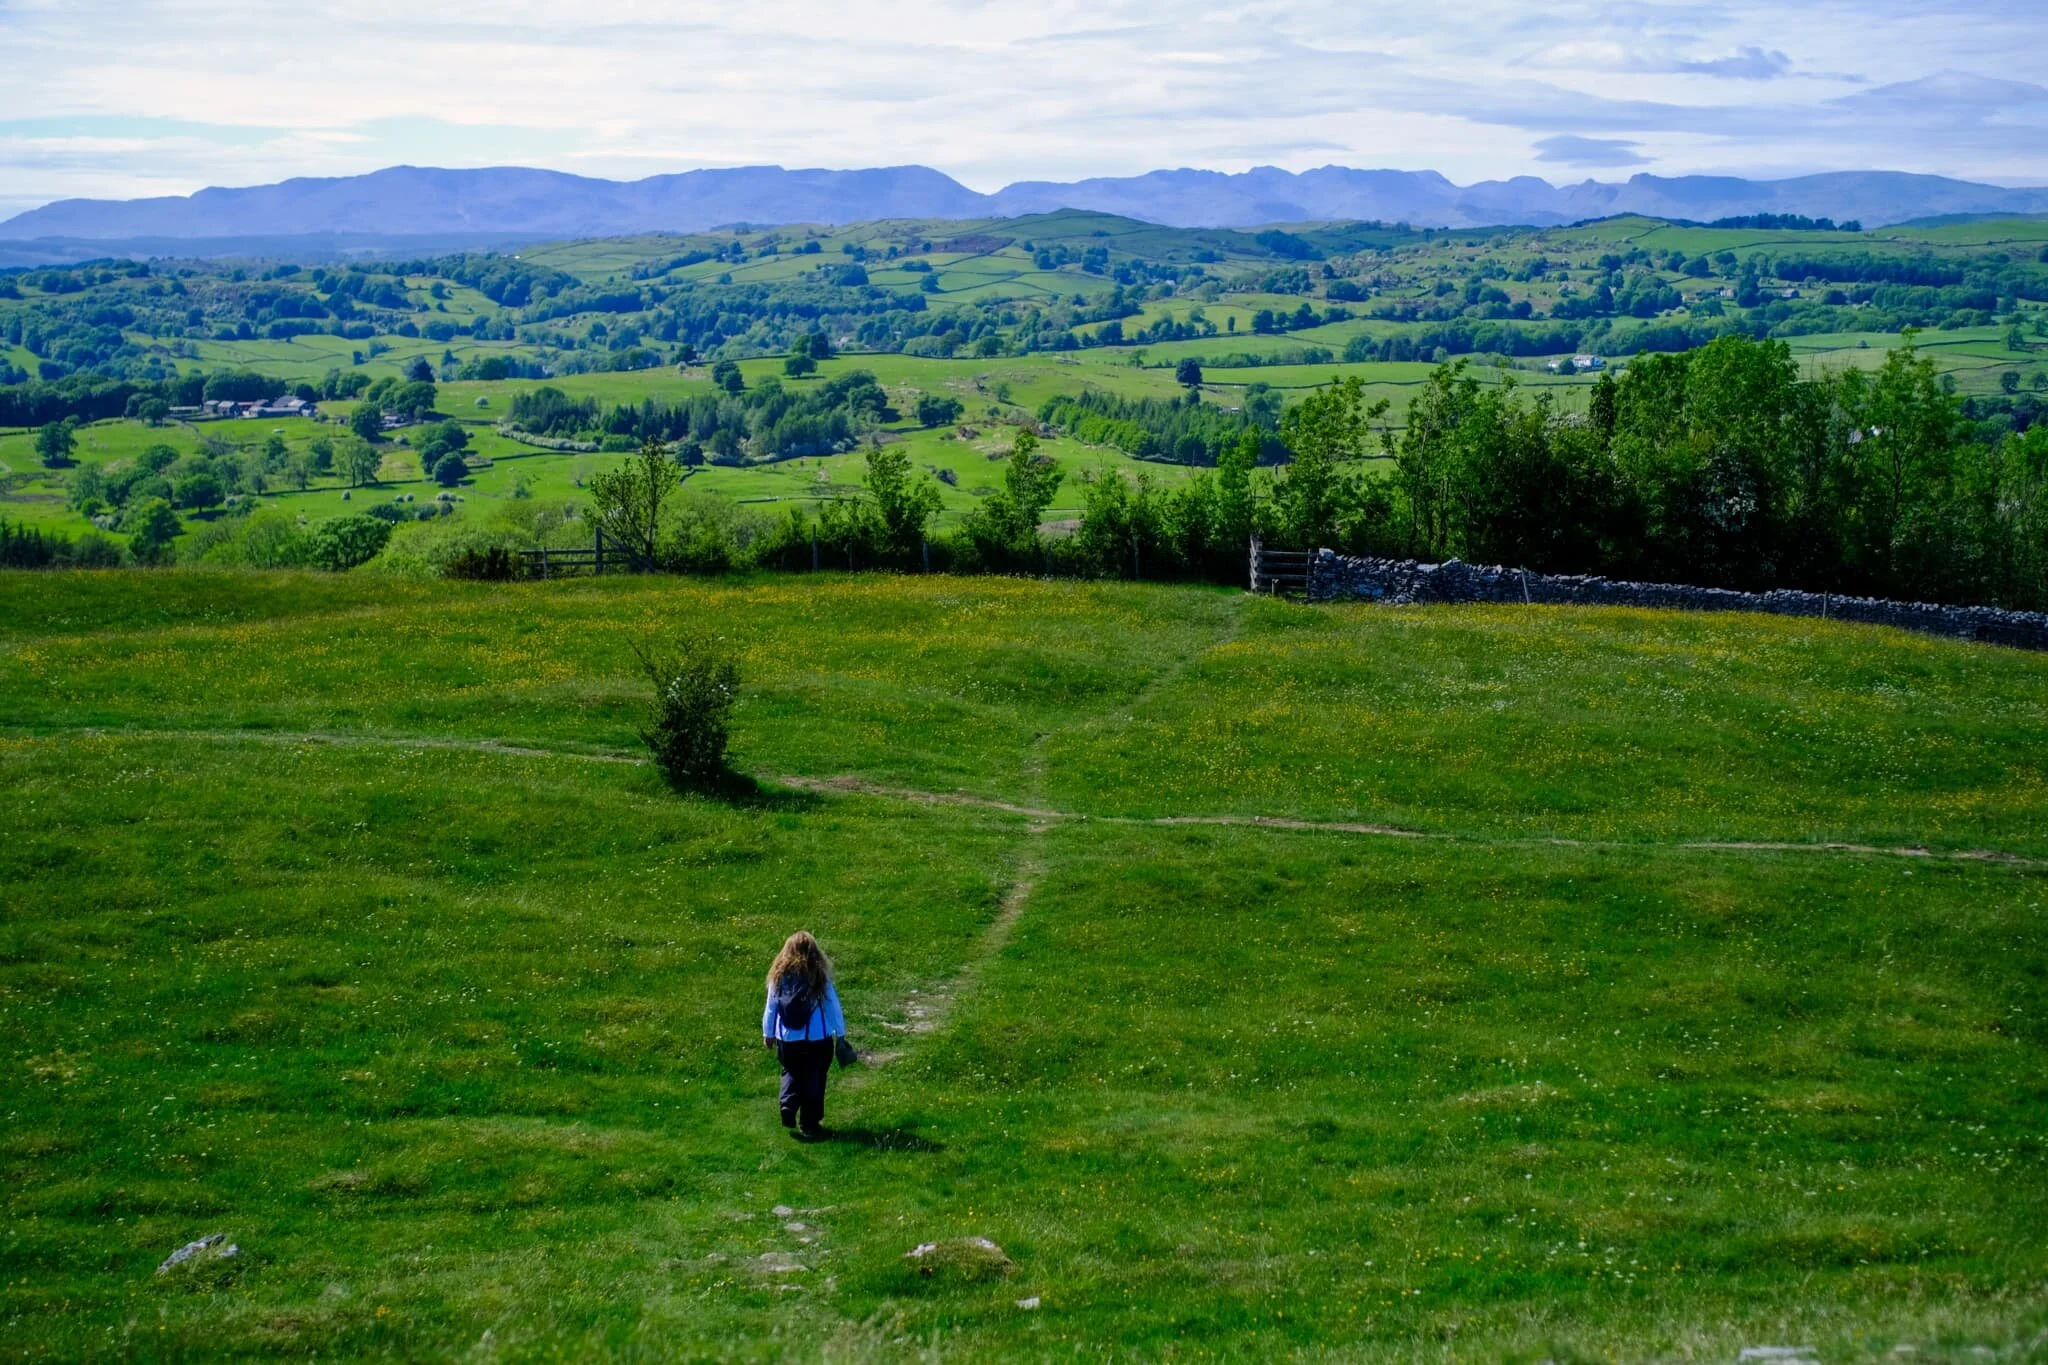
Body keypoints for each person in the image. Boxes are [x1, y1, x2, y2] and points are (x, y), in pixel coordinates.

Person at [762, 931, 845, 1139]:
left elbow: (771, 1008)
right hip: (818, 1038)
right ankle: (809, 1125)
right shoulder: (818, 975)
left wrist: (768, 1033)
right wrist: (840, 1033)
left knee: (791, 1071)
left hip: (787, 1039)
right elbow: (831, 1006)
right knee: (815, 1080)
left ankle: (788, 1103)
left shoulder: (778, 976)